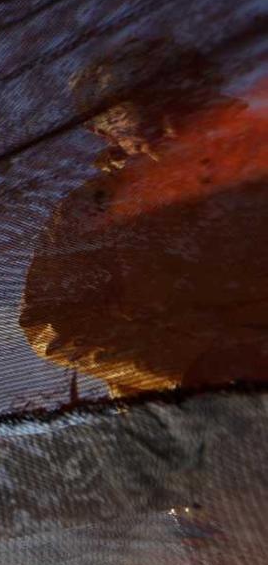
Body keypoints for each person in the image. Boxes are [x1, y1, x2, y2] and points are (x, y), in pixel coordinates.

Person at [21, 39, 268, 397]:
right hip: (184, 418)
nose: (172, 130)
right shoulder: (92, 210)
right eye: (148, 120)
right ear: (102, 131)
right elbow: (55, 321)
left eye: (184, 109)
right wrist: (195, 363)